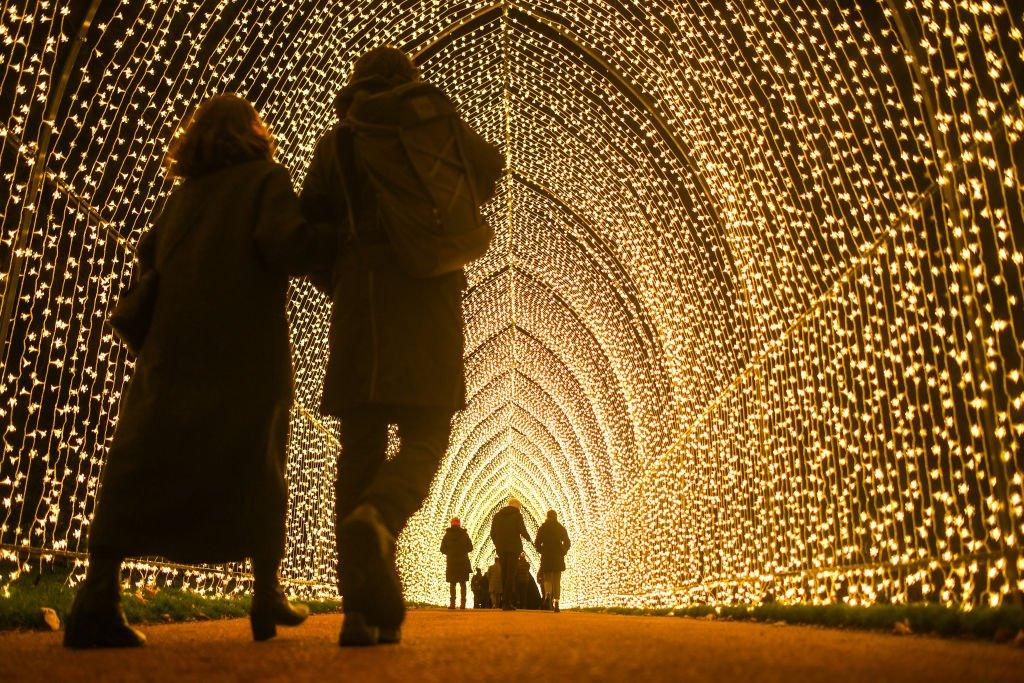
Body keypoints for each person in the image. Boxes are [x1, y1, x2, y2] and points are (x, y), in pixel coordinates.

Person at [63, 94, 334, 648]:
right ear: (251, 135)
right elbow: (288, 246)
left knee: (143, 461)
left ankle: (97, 595)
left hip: (173, 352)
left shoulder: (182, 199)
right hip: (244, 352)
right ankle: (265, 594)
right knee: (256, 462)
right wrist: (340, 239)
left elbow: (151, 259)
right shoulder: (265, 181)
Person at [301, 46, 501, 646]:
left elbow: (309, 223)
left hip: (360, 302)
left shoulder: (338, 143)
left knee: (358, 449)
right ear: (409, 81)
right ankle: (381, 515)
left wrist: (339, 269)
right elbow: (488, 171)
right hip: (429, 296)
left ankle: (358, 611)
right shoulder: (433, 118)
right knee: (428, 433)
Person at [490, 497, 532, 611]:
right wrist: (530, 539)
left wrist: (497, 544)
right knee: (511, 575)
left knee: (504, 574)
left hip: (501, 549)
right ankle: (507, 603)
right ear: (517, 506)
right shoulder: (517, 515)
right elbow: (522, 529)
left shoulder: (497, 516)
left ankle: (505, 601)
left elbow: (492, 533)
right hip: (513, 549)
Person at [534, 509, 571, 612]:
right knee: (557, 580)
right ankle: (557, 602)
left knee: (547, 579)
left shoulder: (543, 528)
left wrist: (542, 550)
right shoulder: (560, 528)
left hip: (547, 556)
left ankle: (548, 594)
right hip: (558, 557)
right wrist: (563, 550)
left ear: (547, 516)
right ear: (556, 516)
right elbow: (567, 542)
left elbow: (537, 543)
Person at [440, 517, 473, 609]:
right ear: (459, 524)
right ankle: (463, 603)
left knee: (452, 583)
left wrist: (450, 553)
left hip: (451, 562)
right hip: (463, 562)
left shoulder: (447, 535)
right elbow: (470, 547)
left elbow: (442, 549)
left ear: (451, 524)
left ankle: (452, 604)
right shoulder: (464, 534)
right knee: (463, 583)